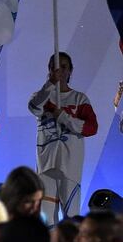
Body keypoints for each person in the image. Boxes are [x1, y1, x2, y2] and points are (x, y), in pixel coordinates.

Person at [28, 52, 98, 220]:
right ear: (49, 70)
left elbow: (91, 128)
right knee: (46, 220)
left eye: (64, 67)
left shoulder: (79, 99)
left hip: (70, 166)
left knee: (71, 218)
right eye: (55, 67)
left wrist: (63, 117)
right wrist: (50, 84)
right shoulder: (41, 96)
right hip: (46, 165)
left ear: (70, 71)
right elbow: (33, 107)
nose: (59, 71)